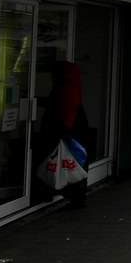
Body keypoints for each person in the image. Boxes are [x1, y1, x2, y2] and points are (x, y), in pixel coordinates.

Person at [38, 60, 89, 207]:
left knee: (65, 162)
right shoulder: (72, 85)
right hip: (73, 131)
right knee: (73, 163)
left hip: (66, 132)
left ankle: (70, 194)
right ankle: (74, 195)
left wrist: (64, 132)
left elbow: (66, 111)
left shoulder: (66, 87)